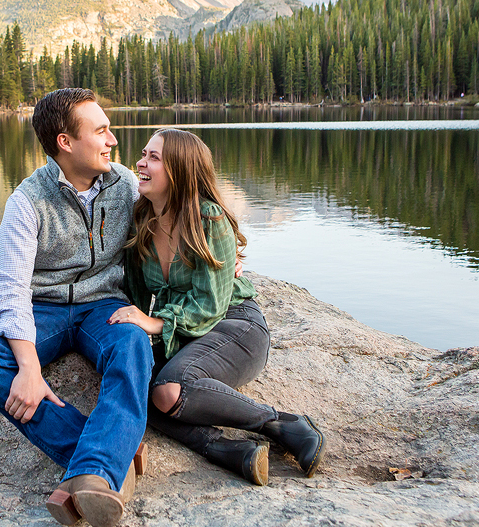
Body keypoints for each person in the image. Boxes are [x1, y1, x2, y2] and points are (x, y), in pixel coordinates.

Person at [0, 88, 151, 527]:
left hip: (103, 306)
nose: (113, 140)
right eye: (101, 131)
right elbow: (9, 289)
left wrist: (222, 251)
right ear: (66, 143)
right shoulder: (28, 201)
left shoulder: (124, 184)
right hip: (43, 309)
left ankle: (94, 469)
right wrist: (28, 368)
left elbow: (173, 215)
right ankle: (105, 462)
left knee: (133, 344)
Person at [110, 128, 326, 484]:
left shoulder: (208, 219)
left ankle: (283, 424)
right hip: (185, 337)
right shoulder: (142, 220)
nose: (140, 162)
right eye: (143, 153)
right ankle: (232, 452)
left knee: (170, 390)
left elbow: (210, 305)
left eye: (153, 157)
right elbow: (133, 293)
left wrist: (154, 323)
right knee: (138, 390)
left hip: (235, 326)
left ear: (179, 170)